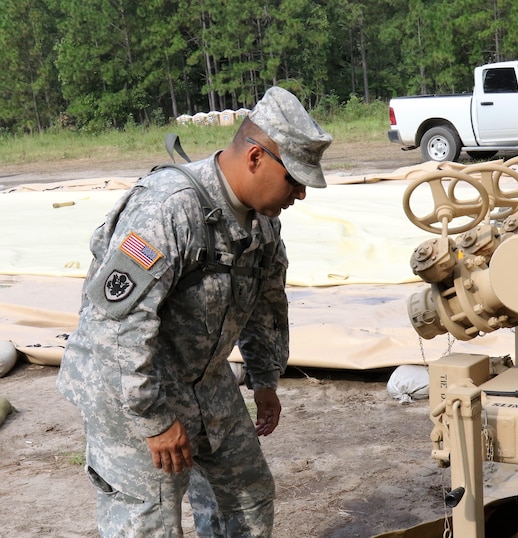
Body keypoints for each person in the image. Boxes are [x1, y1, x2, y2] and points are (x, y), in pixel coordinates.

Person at [56, 86, 332, 537]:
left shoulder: (264, 223)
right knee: (151, 520)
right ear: (256, 158)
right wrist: (154, 421)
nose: (300, 193)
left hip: (203, 378)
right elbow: (117, 325)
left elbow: (267, 301)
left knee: (247, 494)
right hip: (127, 383)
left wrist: (265, 379)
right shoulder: (167, 209)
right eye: (294, 179)